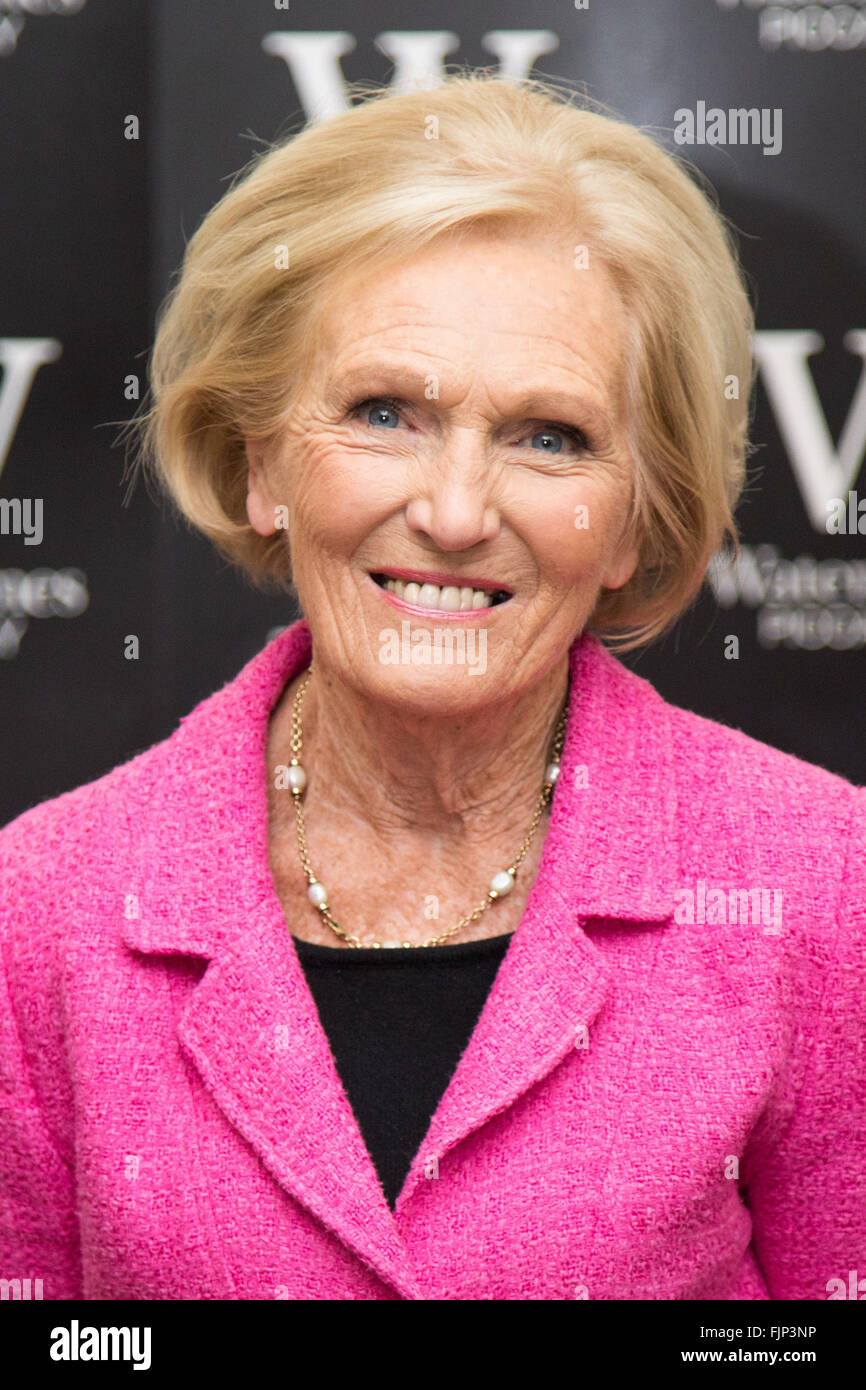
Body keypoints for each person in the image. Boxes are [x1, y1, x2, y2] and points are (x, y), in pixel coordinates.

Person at [1, 72, 863, 1301]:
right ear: (262, 467)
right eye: (383, 412)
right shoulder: (45, 911)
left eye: (547, 435)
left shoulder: (822, 891)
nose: (455, 512)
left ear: (631, 519)